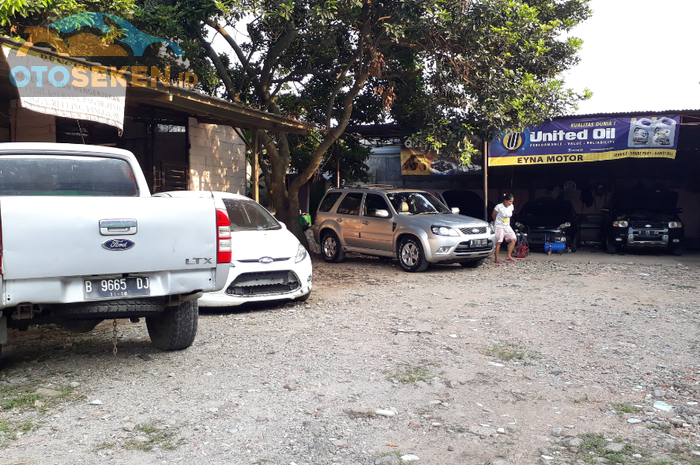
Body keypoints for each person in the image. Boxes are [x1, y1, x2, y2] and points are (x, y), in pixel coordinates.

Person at [492, 193, 517, 264]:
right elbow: (493, 215)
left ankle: (508, 256)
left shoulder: (511, 206)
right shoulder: (498, 206)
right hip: (499, 226)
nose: (511, 203)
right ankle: (496, 258)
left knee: (513, 239)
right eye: (510, 201)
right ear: (505, 200)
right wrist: (497, 222)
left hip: (507, 226)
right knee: (498, 242)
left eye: (512, 201)